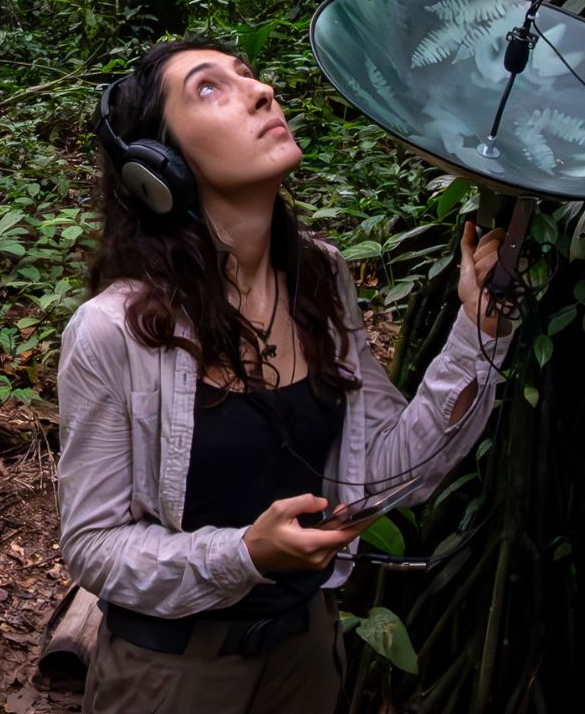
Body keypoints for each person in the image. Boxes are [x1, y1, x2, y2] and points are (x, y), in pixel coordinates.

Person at [56, 39, 513, 712]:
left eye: (249, 75)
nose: (262, 91)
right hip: (171, 674)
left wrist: (479, 332)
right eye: (209, 89)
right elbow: (93, 548)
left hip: (305, 654)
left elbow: (390, 471)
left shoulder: (320, 278)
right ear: (155, 168)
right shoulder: (111, 330)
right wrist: (245, 553)